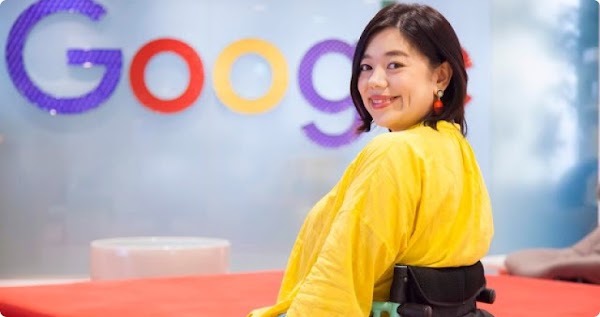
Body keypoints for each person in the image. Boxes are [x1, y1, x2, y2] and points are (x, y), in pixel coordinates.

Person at [249, 3, 494, 316]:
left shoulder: (393, 152)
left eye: (394, 66)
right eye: (366, 67)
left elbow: (341, 275)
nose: (375, 81)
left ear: (441, 76)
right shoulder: (454, 145)